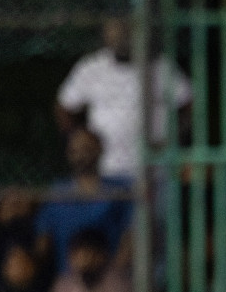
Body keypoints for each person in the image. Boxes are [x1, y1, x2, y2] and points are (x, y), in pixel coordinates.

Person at [55, 17, 192, 180]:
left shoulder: (161, 67)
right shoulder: (91, 67)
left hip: (154, 169)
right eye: (114, 30)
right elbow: (64, 107)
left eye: (126, 30)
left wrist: (171, 139)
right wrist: (77, 137)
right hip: (107, 168)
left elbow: (189, 104)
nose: (120, 36)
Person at [34, 128, 134, 275]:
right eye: (75, 150)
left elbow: (131, 235)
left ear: (100, 149)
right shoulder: (58, 192)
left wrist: (113, 277)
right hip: (68, 280)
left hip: (110, 278)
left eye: (87, 148)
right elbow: (43, 241)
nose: (81, 155)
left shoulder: (121, 189)